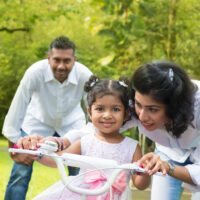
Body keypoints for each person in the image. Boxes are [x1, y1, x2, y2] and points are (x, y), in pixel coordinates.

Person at [18, 61, 200, 199]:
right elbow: (91, 131)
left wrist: (159, 167)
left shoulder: (195, 108)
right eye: (138, 105)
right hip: (165, 156)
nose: (142, 116)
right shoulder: (132, 106)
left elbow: (141, 182)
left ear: (174, 107)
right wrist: (58, 142)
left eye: (153, 109)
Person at [30, 75, 151, 200]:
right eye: (100, 109)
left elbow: (140, 184)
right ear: (90, 112)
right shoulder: (85, 141)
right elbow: (58, 159)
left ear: (126, 114)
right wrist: (36, 153)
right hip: (82, 195)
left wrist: (145, 170)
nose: (107, 115)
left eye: (115, 109)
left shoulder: (132, 147)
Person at [3, 35, 92, 200]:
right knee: (20, 174)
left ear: (75, 59)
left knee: (80, 174)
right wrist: (14, 147)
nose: (61, 66)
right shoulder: (35, 72)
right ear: (48, 57)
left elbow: (94, 110)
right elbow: (18, 105)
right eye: (56, 60)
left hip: (72, 127)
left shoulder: (85, 75)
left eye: (67, 61)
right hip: (36, 125)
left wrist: (92, 137)